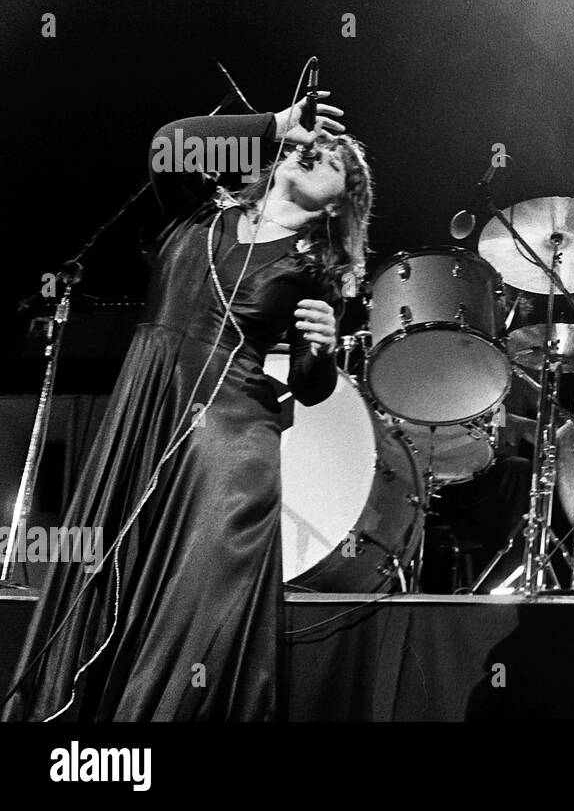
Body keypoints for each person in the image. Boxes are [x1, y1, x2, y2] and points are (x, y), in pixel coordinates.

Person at [2, 90, 372, 721]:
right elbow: (168, 144)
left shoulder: (316, 271)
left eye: (334, 160)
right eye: (309, 144)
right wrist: (275, 123)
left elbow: (309, 387)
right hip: (143, 414)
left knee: (197, 593)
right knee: (114, 576)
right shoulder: (197, 215)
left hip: (229, 441)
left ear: (339, 204)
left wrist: (321, 352)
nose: (316, 150)